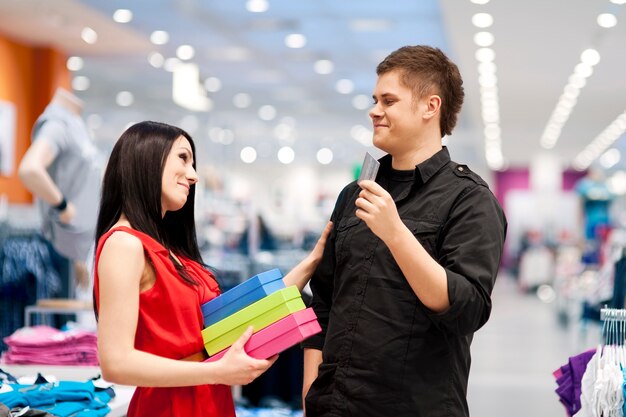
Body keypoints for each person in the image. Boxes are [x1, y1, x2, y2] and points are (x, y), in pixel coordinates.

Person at [302, 45, 507, 417]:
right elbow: (325, 301)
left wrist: (395, 233)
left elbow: (467, 309)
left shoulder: (470, 201)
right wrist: (310, 392)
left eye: (389, 100)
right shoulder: (355, 194)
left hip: (414, 406)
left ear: (431, 106)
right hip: (335, 404)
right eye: (375, 99)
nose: (374, 110)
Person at [93, 120, 331, 417]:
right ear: (146, 157)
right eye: (183, 158)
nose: (193, 176)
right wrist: (217, 372)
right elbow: (116, 363)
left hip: (209, 400)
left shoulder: (171, 250)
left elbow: (241, 319)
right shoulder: (125, 245)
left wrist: (314, 260)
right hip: (171, 406)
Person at [18, 87, 102, 296]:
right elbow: (30, 169)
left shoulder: (74, 125)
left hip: (76, 248)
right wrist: (63, 206)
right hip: (61, 245)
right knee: (62, 323)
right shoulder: (57, 124)